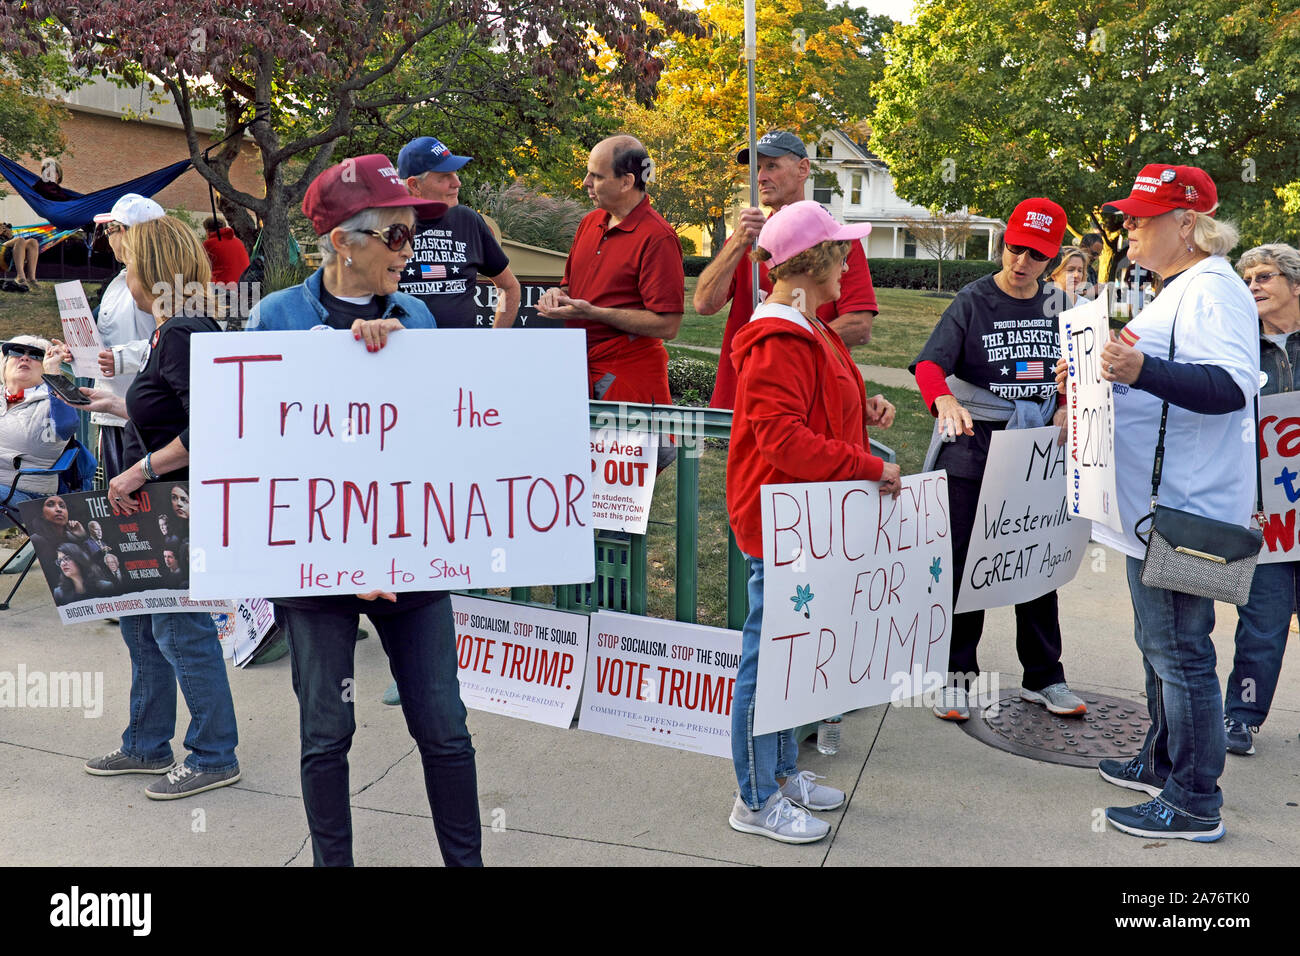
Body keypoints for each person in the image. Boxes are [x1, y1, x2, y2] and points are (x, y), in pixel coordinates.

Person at [246, 153, 483, 867]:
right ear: (345, 240)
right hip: (318, 569)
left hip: (409, 562)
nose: (411, 253)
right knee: (326, 730)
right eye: (399, 237)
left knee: (444, 727)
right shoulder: (275, 320)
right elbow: (259, 451)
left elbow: (443, 437)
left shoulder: (416, 317)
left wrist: (411, 369)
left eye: (415, 235)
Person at [1077, 164, 1256, 842]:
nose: (1128, 227)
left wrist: (1140, 368)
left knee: (1181, 653)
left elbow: (1230, 386)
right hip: (1164, 509)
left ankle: (1192, 799)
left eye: (1141, 217)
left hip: (1190, 513)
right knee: (1162, 646)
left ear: (1187, 224)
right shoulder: (1182, 288)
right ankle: (1161, 761)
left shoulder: (1213, 289)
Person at [725, 201, 899, 843]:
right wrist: (865, 466)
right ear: (813, 262)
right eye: (841, 251)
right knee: (769, 662)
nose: (850, 261)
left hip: (800, 520)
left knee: (790, 659)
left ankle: (775, 774)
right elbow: (781, 440)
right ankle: (754, 796)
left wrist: (864, 407)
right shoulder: (780, 336)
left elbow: (815, 407)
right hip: (780, 523)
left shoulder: (808, 326)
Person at [79, 215, 242, 800]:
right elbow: (174, 413)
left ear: (152, 269)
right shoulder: (172, 330)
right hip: (157, 501)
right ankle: (147, 744)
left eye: (129, 263)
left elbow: (211, 429)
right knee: (144, 625)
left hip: (173, 502)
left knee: (179, 627)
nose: (124, 273)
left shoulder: (181, 332)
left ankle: (214, 753)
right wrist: (122, 408)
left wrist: (137, 470)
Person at [910, 198, 1087, 721]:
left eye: (1036, 255)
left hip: (1036, 446)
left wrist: (1065, 403)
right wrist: (942, 399)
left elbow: (1083, 372)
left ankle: (1045, 677)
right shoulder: (973, 299)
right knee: (965, 561)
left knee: (1035, 557)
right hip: (974, 441)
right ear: (1003, 243)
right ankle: (954, 676)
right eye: (1015, 249)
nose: (1021, 262)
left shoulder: (1064, 305)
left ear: (1051, 259)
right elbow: (927, 365)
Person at [694, 130, 879, 409]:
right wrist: (738, 244)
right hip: (742, 396)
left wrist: (777, 353)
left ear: (803, 169)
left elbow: (859, 326)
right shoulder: (749, 236)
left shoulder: (834, 239)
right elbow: (704, 304)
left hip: (807, 395)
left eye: (772, 165)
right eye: (757, 168)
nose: (760, 177)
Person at [1220, 243, 1300, 756]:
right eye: (1247, 278)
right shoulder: (1237, 348)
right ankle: (1240, 718)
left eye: (1265, 276)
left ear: (1296, 284)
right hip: (1266, 511)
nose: (1253, 285)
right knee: (1262, 624)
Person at [537, 135, 684, 405]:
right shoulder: (590, 222)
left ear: (627, 181)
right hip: (575, 368)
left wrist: (592, 312)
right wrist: (556, 293)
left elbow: (668, 325)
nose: (586, 183)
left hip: (628, 377)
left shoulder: (658, 237)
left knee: (644, 449)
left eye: (597, 176)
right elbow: (571, 286)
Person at [397, 136, 521, 329]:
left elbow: (509, 287)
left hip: (462, 355)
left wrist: (498, 339)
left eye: (455, 173)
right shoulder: (387, 225)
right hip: (401, 355)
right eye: (445, 176)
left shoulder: (468, 220)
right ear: (414, 185)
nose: (457, 183)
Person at [91, 193, 168, 482]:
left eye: (108, 230)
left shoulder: (165, 278)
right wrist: (79, 351)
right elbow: (109, 339)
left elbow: (175, 341)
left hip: (145, 420)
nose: (107, 239)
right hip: (111, 408)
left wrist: (122, 358)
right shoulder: (119, 280)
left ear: (123, 231)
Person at [1, 335, 78, 504]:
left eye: (37, 355)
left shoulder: (55, 400)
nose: (25, 357)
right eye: (17, 351)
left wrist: (54, 374)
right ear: (5, 362)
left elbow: (68, 426)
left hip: (26, 494)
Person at [202, 216, 251, 286]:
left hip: (223, 289)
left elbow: (199, 268)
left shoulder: (208, 244)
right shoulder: (238, 242)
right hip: (244, 287)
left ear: (207, 231)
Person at [2, 224, 42, 292]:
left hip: (9, 251)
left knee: (33, 242)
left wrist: (9, 234)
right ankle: (20, 276)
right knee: (20, 240)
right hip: (1, 250)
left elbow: (10, 239)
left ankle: (31, 278)